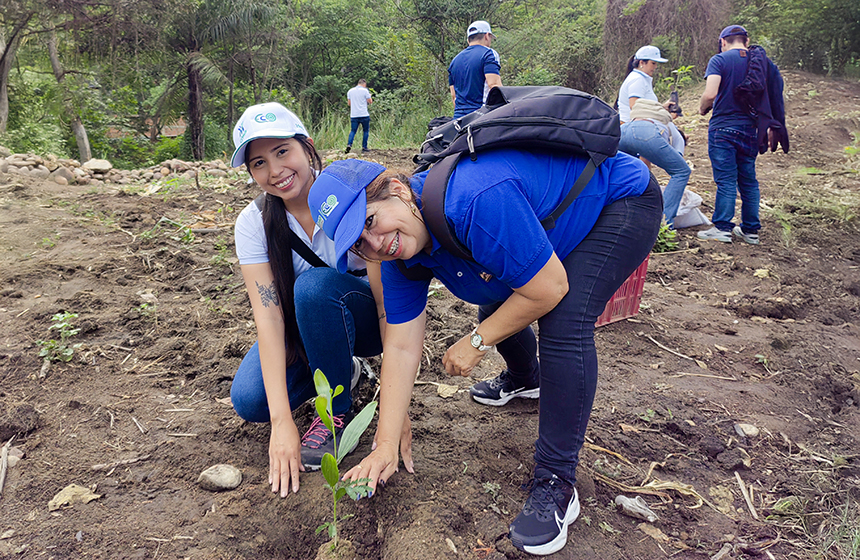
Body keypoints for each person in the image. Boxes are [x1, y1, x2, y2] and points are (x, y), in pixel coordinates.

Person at [308, 150, 662, 555]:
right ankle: (526, 380)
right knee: (496, 294)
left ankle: (556, 480)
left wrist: (477, 341)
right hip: (552, 220)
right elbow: (401, 346)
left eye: (370, 221)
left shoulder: (473, 200)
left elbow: (549, 287)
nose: (376, 244)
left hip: (618, 199)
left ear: (398, 190)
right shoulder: (401, 259)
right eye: (359, 242)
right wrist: (386, 443)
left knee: (563, 319)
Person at [227, 102, 384, 497]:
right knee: (251, 401)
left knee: (313, 287)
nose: (275, 170)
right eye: (259, 163)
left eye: (282, 151)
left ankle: (334, 412)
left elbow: (387, 302)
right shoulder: (253, 223)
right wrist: (282, 421)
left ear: (307, 146)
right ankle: (341, 370)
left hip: (366, 318)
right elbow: (269, 319)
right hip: (310, 324)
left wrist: (396, 414)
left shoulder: (349, 195)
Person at [697, 25, 787, 244]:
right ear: (747, 41)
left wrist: (702, 108)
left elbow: (710, 94)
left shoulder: (719, 60)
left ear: (723, 42)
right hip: (750, 130)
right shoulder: (762, 63)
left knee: (726, 180)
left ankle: (722, 228)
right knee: (748, 181)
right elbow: (775, 94)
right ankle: (750, 230)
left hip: (723, 129)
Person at [617, 46, 690, 228]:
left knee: (636, 174)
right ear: (641, 62)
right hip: (640, 130)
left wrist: (662, 107)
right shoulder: (637, 79)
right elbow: (635, 106)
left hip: (628, 132)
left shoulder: (640, 79)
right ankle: (663, 224)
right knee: (681, 171)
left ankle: (633, 216)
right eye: (653, 63)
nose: (655, 67)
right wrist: (665, 116)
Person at [448, 20, 502, 118]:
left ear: (468, 40)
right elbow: (494, 85)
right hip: (481, 116)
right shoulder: (489, 54)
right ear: (487, 36)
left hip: (459, 119)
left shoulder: (454, 61)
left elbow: (454, 97)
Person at [346, 79, 373, 153]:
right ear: (364, 84)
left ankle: (349, 144)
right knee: (366, 131)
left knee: (353, 131)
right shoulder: (365, 91)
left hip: (354, 115)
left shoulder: (350, 91)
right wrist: (370, 96)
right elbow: (370, 101)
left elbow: (349, 103)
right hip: (364, 114)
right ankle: (364, 147)